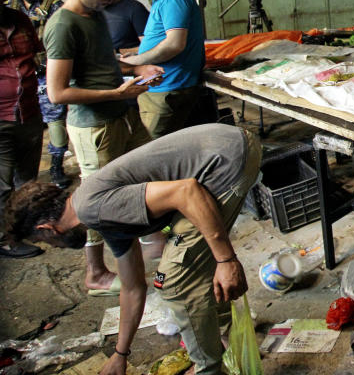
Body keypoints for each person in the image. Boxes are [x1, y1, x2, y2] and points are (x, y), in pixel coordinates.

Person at [4, 123, 261, 375]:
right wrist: (120, 353)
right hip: (223, 148)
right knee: (188, 270)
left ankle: (209, 368)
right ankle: (228, 340)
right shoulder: (97, 217)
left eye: (44, 242)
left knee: (175, 282)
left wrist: (226, 260)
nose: (54, 247)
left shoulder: (92, 208)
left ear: (47, 228)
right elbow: (132, 287)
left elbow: (186, 191)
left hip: (225, 160)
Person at [43, 0, 163, 296]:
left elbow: (104, 61)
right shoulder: (63, 25)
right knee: (95, 201)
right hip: (94, 126)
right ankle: (95, 272)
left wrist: (137, 69)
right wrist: (114, 93)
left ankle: (150, 238)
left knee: (143, 174)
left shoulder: (94, 16)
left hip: (121, 114)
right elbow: (58, 92)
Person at [119, 0, 205, 139]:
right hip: (159, 88)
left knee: (151, 153)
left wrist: (136, 61)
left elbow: (174, 44)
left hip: (167, 90)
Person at [6, 0, 70, 188]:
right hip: (19, 77)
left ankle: (56, 165)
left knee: (55, 119)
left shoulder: (52, 3)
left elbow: (60, 33)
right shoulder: (11, 5)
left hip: (47, 70)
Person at [0, 0, 45, 258]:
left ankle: (24, 228)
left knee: (27, 179)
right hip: (0, 118)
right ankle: (7, 240)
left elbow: (38, 55)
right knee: (3, 185)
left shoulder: (21, 20)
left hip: (30, 111)